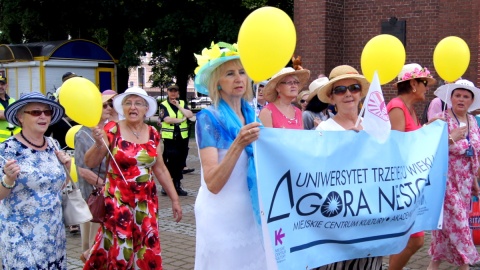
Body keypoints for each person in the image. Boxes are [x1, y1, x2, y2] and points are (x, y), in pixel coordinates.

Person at [83, 87, 182, 269]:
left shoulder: (153, 132)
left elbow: (160, 169)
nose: (132, 107)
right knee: (121, 247)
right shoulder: (112, 129)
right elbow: (90, 161)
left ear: (146, 109)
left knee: (146, 246)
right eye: (128, 103)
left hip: (146, 202)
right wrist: (98, 144)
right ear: (122, 108)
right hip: (118, 200)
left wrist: (175, 199)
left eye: (138, 103)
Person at [193, 42, 267, 269]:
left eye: (242, 72)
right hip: (221, 218)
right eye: (230, 73)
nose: (239, 79)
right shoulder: (208, 118)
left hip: (252, 214)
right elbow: (213, 183)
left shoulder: (254, 115)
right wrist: (238, 144)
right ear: (217, 83)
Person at [313, 65, 382, 270]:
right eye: (340, 90)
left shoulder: (374, 126)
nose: (348, 94)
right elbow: (317, 174)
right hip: (338, 221)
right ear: (332, 98)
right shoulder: (324, 129)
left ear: (361, 93)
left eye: (353, 88)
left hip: (368, 214)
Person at [0, 91, 71, 269]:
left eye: (47, 112)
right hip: (21, 236)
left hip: (54, 235)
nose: (43, 116)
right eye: (35, 112)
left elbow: (60, 185)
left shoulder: (53, 144)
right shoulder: (7, 149)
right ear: (20, 117)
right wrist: (8, 178)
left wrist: (67, 168)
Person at [386, 63, 437, 270]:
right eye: (424, 83)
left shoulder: (411, 110)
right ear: (413, 84)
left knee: (411, 239)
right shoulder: (397, 107)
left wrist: (428, 129)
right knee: (414, 240)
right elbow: (396, 149)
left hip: (411, 183)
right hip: (400, 184)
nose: (427, 88)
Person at [427, 79, 480, 270]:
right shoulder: (441, 119)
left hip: (465, 183)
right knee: (459, 223)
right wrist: (451, 138)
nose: (461, 99)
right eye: (457, 95)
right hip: (446, 180)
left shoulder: (473, 121)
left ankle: (434, 265)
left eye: (466, 96)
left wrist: (474, 180)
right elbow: (428, 149)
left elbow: (473, 153)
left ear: (471, 101)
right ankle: (468, 260)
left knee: (443, 233)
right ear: (451, 98)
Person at [74, 91, 116, 263]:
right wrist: (104, 185)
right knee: (91, 243)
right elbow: (83, 170)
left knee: (103, 240)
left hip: (106, 194)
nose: (109, 108)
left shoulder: (109, 130)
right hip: (93, 197)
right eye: (104, 105)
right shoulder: (83, 134)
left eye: (110, 105)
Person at [46, 71, 80, 233]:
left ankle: (78, 217)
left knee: (78, 187)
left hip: (80, 154)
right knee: (67, 188)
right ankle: (70, 221)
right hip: (62, 155)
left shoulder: (82, 112)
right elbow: (46, 135)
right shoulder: (56, 116)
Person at [159, 83, 193, 196]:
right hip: (170, 138)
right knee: (170, 161)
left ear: (178, 93)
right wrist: (181, 119)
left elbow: (189, 114)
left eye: (175, 91)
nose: (173, 93)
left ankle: (177, 185)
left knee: (180, 161)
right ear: (168, 92)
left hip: (182, 137)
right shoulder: (163, 104)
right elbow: (167, 119)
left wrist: (179, 107)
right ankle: (166, 186)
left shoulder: (182, 103)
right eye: (171, 91)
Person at [0, 75, 21, 142]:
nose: (0, 86)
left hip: (16, 139)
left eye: (2, 84)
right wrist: (16, 114)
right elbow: (1, 116)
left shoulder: (13, 100)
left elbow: (21, 115)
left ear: (6, 86)